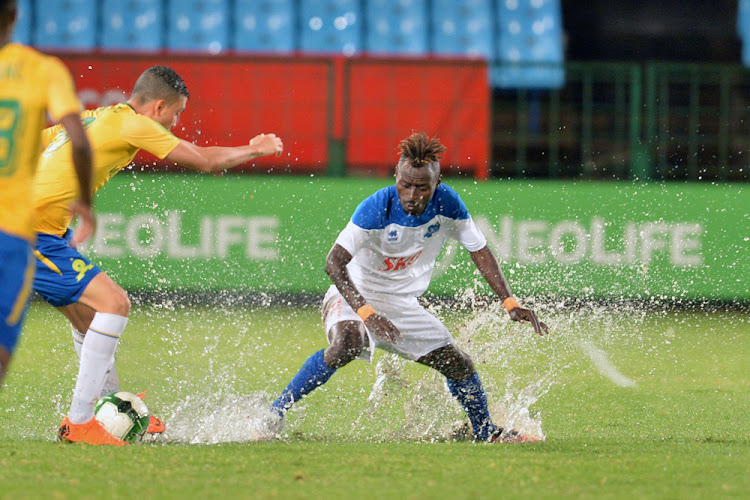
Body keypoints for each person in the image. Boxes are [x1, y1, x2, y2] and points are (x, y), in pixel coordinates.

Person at [33, 65, 284, 446]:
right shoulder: (134, 124)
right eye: (178, 113)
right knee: (115, 303)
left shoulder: (94, 117)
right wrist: (256, 148)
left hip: (42, 227)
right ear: (160, 106)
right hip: (29, 231)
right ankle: (80, 422)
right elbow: (205, 160)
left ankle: (108, 407)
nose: (176, 121)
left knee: (88, 317)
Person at [271, 132, 548, 443]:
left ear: (437, 183)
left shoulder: (449, 204)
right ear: (396, 177)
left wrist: (509, 302)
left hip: (400, 303)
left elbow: (480, 250)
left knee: (458, 363)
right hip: (354, 293)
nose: (412, 195)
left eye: (422, 187)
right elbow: (333, 264)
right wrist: (367, 312)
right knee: (347, 342)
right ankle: (274, 413)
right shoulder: (376, 207)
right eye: (406, 184)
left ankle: (485, 432)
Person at [0, 0, 93, 387]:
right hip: (12, 230)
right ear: (14, 16)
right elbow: (81, 143)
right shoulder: (43, 69)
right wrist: (86, 203)